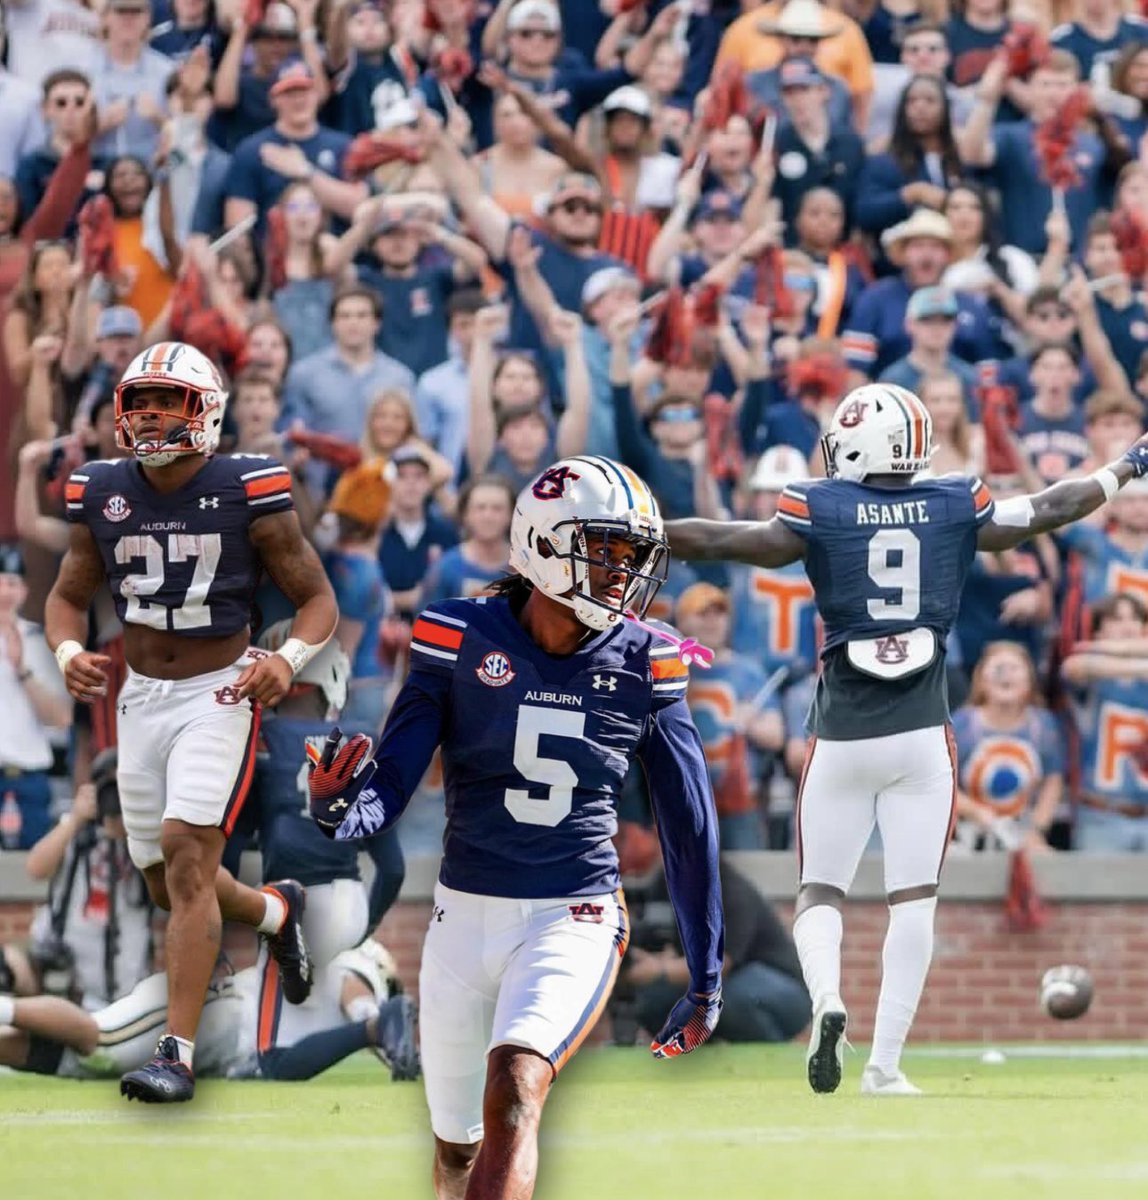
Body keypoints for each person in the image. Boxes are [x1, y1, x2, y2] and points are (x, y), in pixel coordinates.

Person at [665, 380, 1148, 1095]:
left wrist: (641, 528)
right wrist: (1126, 467)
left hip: (841, 734)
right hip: (923, 735)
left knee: (819, 891)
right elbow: (1049, 508)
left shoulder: (820, 505)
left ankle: (828, 998)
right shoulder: (954, 501)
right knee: (914, 899)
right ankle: (885, 1066)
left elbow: (735, 542)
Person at [308, 456, 724, 1200]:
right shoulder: (455, 635)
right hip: (463, 915)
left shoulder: (647, 659)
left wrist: (706, 974)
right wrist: (344, 809)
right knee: (455, 1149)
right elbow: (396, 774)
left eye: (633, 557)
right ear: (542, 544)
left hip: (577, 912)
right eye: (606, 551)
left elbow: (688, 825)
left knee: (516, 1091)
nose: (623, 575)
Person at [44, 340, 339, 1104]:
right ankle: (276, 910)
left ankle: (175, 1055)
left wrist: (291, 658)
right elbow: (67, 594)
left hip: (223, 691)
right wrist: (68, 646)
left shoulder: (249, 486)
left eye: (167, 401)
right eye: (138, 400)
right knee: (172, 883)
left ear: (204, 410)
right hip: (138, 695)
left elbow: (318, 599)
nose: (148, 416)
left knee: (183, 856)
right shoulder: (102, 488)